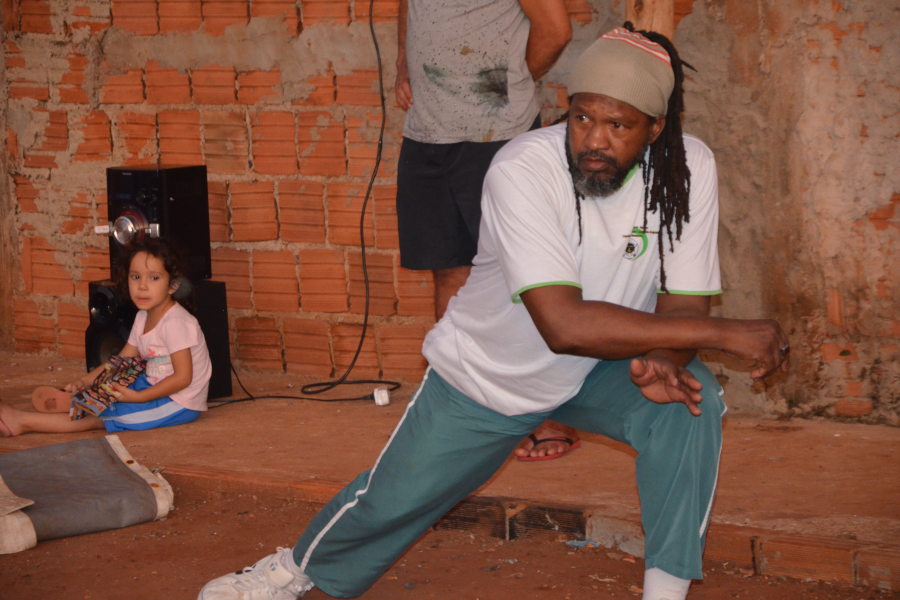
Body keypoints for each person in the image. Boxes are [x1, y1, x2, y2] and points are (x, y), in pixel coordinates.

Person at [198, 26, 791, 600]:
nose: (594, 141)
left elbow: (683, 299)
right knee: (392, 501)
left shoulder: (687, 168)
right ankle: (290, 572)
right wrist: (723, 332)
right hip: (491, 375)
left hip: (603, 368)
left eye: (618, 125)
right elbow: (562, 325)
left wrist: (666, 355)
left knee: (690, 403)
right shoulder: (522, 170)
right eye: (583, 117)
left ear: (656, 129)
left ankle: (665, 593)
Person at [395, 0, 580, 460]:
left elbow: (555, 30)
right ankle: (461, 406)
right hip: (427, 135)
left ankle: (541, 413)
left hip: (498, 134)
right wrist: (404, 60)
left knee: (524, 277)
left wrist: (507, 81)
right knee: (448, 272)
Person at [0, 238, 212, 437]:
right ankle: (81, 400)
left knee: (103, 417)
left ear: (173, 285)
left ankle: (22, 421)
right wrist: (86, 381)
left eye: (154, 278)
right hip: (151, 384)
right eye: (135, 277)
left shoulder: (176, 323)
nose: (142, 286)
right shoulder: (142, 316)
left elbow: (183, 378)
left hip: (178, 402)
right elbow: (121, 362)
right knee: (108, 387)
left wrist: (139, 398)